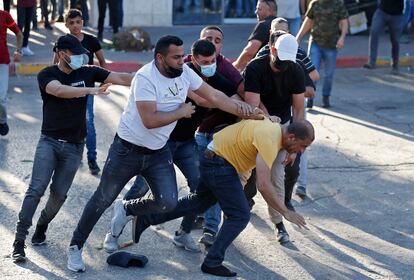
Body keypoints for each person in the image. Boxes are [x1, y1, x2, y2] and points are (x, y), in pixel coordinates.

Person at [67, 35, 263, 272]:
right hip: (127, 150)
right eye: (177, 57)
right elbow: (150, 120)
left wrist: (249, 112)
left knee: (168, 202)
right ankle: (76, 247)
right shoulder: (145, 77)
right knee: (102, 198)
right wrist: (181, 111)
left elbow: (215, 96)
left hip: (158, 152)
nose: (183, 61)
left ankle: (128, 209)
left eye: (183, 56)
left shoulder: (185, 73)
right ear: (160, 58)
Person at [122, 119, 313, 277]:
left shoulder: (273, 128)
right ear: (291, 136)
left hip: (212, 156)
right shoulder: (270, 139)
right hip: (221, 164)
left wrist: (290, 150)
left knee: (199, 201)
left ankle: (146, 217)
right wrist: (286, 212)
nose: (302, 151)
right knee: (240, 215)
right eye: (302, 146)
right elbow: (263, 184)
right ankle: (212, 262)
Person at [104, 39, 240, 253]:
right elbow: (203, 100)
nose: (210, 65)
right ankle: (114, 231)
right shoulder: (179, 72)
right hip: (162, 143)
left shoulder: (216, 78)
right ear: (193, 59)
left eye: (213, 60)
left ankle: (183, 234)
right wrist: (225, 102)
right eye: (205, 61)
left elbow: (231, 93)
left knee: (200, 189)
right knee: (140, 188)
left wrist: (246, 107)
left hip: (187, 143)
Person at [10, 34, 133, 263]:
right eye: (75, 53)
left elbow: (120, 77)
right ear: (62, 54)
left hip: (75, 147)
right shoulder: (48, 74)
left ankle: (42, 225)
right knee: (36, 190)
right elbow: (58, 91)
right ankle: (19, 240)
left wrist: (148, 77)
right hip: (49, 142)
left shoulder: (87, 71)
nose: (80, 57)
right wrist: (91, 91)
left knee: (59, 196)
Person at [243, 33, 306, 244]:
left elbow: (298, 110)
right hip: (257, 122)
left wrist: (293, 147)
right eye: (280, 61)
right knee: (244, 176)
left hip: (283, 128)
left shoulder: (296, 70)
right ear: (272, 49)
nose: (283, 66)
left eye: (288, 62)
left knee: (276, 177)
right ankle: (229, 217)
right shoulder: (255, 68)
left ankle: (279, 224)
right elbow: (253, 104)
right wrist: (268, 118)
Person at [53, 9, 108, 175]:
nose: (75, 25)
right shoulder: (62, 41)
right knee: (70, 122)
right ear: (66, 25)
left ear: (83, 22)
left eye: (78, 22)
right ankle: (71, 156)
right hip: (68, 89)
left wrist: (105, 80)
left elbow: (102, 62)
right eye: (72, 22)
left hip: (87, 89)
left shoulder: (91, 40)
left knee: (88, 122)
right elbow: (55, 64)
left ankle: (92, 158)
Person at [296, 0, 348, 108]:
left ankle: (326, 97)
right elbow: (308, 21)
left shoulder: (338, 4)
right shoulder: (315, 4)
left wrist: (342, 37)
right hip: (316, 43)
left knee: (329, 75)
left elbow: (344, 21)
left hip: (332, 45)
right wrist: (298, 37)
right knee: (313, 71)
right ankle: (310, 98)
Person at [233, 0, 277, 71]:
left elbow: (250, 51)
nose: (256, 12)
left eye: (259, 9)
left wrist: (236, 65)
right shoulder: (282, 25)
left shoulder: (263, 25)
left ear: (270, 11)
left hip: (263, 71)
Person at [363, 0, 405, 73]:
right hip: (382, 11)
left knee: (395, 40)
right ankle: (372, 62)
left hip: (397, 15)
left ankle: (395, 65)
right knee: (374, 31)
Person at [0, 10, 23, 136]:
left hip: (2, 62)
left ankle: (2, 121)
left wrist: (18, 51)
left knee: (1, 98)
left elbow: (19, 34)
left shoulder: (4, 15)